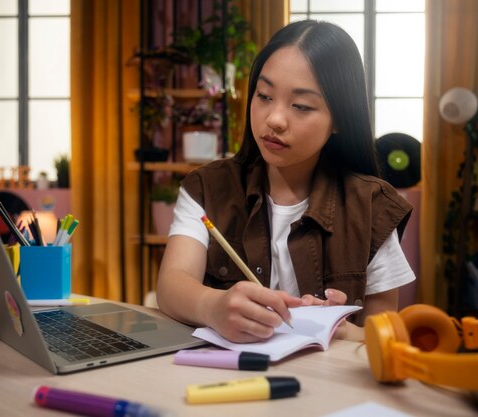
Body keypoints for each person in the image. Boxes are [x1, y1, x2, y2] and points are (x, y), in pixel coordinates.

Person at [156, 20, 415, 343]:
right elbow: (171, 285)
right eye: (264, 96)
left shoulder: (372, 208)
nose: (274, 119)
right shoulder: (208, 188)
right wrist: (214, 306)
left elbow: (388, 335)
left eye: (301, 106)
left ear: (339, 119)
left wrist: (343, 329)